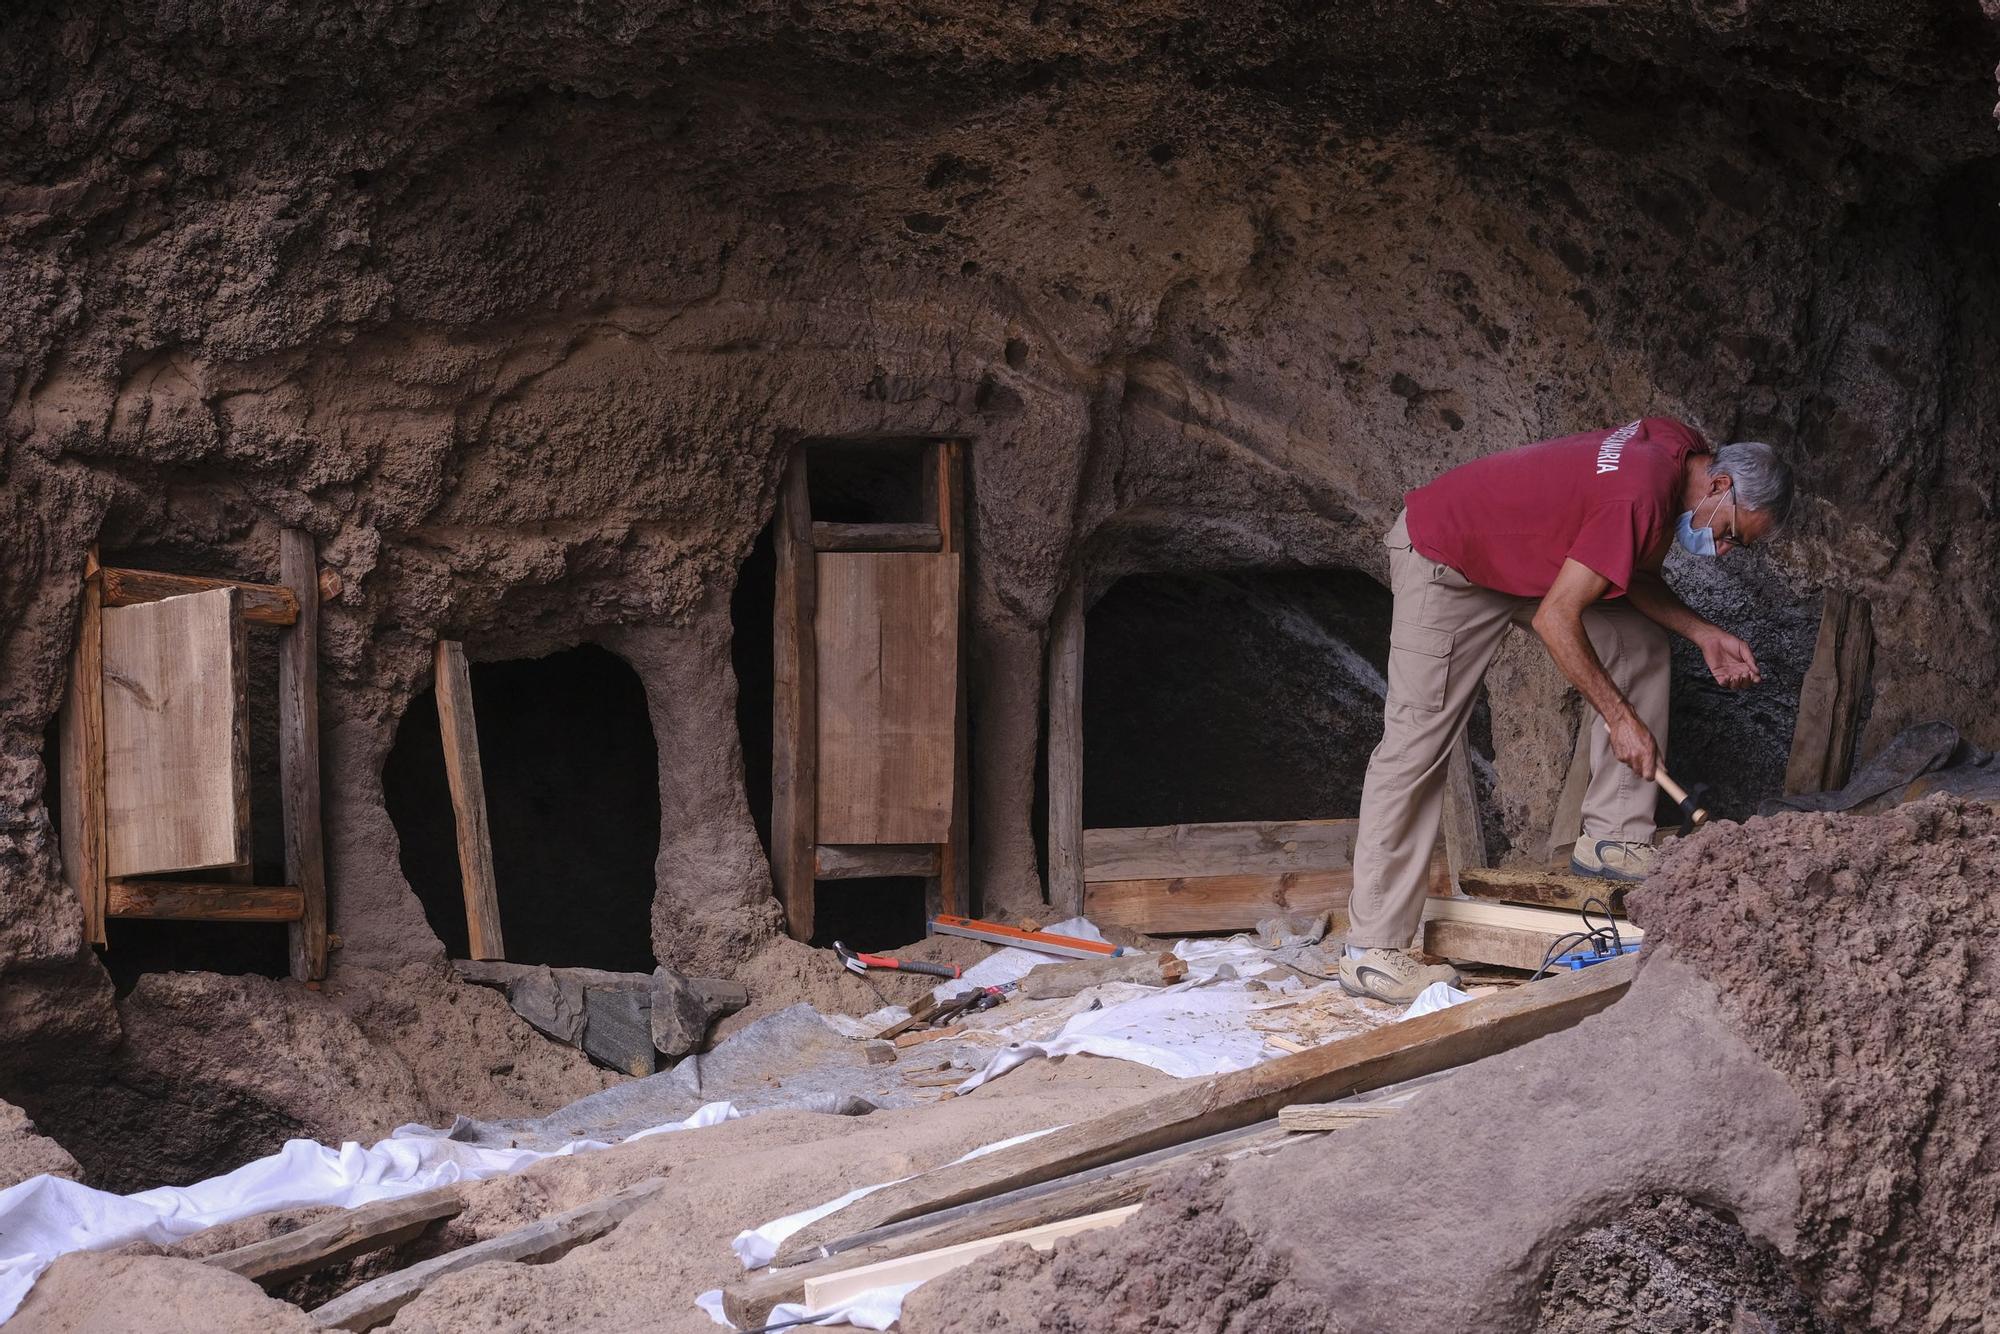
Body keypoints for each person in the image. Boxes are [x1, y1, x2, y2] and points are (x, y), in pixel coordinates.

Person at [1337, 418, 1794, 1004]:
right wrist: (1621, 718)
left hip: (1525, 564)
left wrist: (1703, 633)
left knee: (1638, 643)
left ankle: (1613, 842)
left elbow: (1628, 575)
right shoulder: (1639, 491)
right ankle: (1372, 951)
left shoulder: (1679, 453)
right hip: (1447, 560)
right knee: (1417, 743)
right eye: (1733, 534)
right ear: (1722, 485)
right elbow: (1559, 618)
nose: (1724, 550)